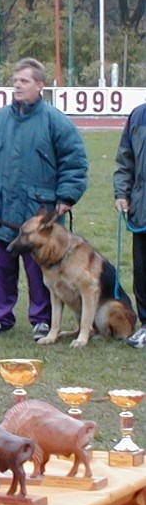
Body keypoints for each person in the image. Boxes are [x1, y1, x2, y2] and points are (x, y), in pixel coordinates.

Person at [0, 58, 88, 338]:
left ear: (40, 85)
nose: (17, 86)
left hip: (40, 214)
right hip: (1, 207)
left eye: (24, 81)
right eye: (15, 81)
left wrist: (67, 196)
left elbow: (75, 161)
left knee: (40, 271)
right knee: (1, 268)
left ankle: (42, 319)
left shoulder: (56, 122)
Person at [113, 102, 146, 348]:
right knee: (142, 271)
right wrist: (122, 193)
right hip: (142, 207)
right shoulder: (138, 115)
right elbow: (126, 160)